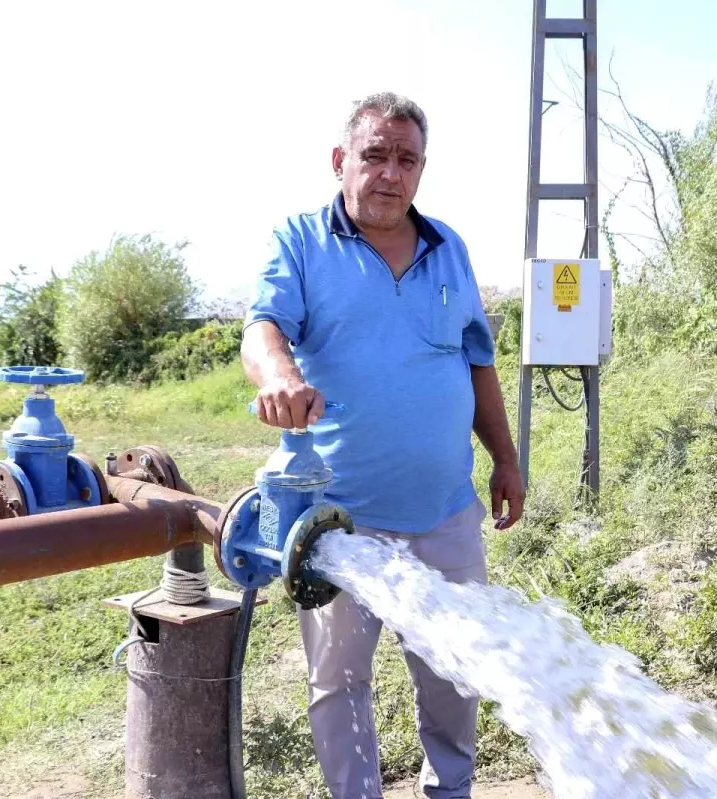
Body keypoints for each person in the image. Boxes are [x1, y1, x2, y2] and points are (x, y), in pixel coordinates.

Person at [240, 91, 525, 799]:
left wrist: (506, 458)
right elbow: (263, 326)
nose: (390, 173)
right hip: (338, 522)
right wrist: (279, 372)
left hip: (445, 512)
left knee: (458, 668)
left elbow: (478, 362)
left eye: (407, 159)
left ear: (422, 170)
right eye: (374, 155)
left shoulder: (447, 248)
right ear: (342, 161)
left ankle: (449, 788)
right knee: (338, 682)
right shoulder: (302, 241)